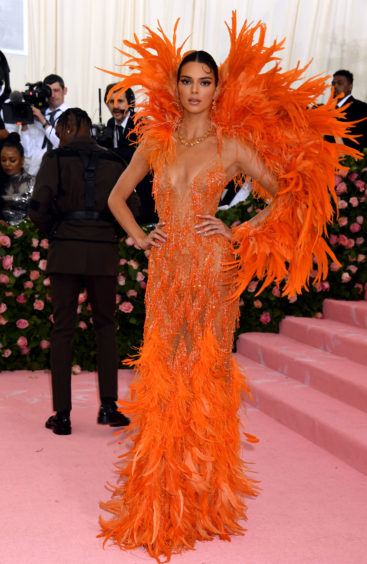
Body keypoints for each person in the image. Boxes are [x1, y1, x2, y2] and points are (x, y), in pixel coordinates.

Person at [98, 17, 360, 562]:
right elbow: (116, 199)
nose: (195, 90)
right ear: (175, 88)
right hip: (167, 271)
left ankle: (203, 499)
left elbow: (287, 195)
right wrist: (142, 238)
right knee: (165, 375)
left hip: (213, 272)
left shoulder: (232, 143)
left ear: (217, 90)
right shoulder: (154, 142)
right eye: (187, 81)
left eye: (204, 82)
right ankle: (160, 498)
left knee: (207, 375)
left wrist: (237, 229)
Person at [28, 108, 132, 435]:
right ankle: (108, 406)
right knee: (105, 326)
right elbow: (133, 207)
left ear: (69, 127)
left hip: (66, 249)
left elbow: (38, 207)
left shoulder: (55, 159)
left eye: (60, 131)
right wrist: (108, 234)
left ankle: (62, 416)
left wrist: (56, 231)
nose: (58, 137)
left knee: (62, 330)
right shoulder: (115, 161)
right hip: (103, 251)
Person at [99, 83, 157, 224]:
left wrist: (106, 150)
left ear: (130, 103)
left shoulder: (142, 124)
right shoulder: (110, 124)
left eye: (120, 101)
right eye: (111, 101)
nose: (115, 106)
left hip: (145, 197)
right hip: (122, 198)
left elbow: (136, 155)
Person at [21, 74, 69, 176]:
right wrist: (24, 126)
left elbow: (63, 144)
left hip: (60, 172)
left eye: (56, 90)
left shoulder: (71, 114)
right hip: (35, 172)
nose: (52, 95)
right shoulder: (36, 114)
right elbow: (28, 152)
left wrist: (43, 122)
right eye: (49, 91)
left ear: (64, 91)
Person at [0, 132, 34, 225]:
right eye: (3, 160)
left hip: (26, 233)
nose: (7, 164)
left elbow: (37, 213)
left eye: (12, 160)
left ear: (22, 160)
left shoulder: (32, 182)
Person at [331, 69, 367, 150]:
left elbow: (360, 140)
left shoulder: (361, 108)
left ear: (350, 87)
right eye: (333, 83)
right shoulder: (328, 109)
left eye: (339, 83)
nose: (335, 86)